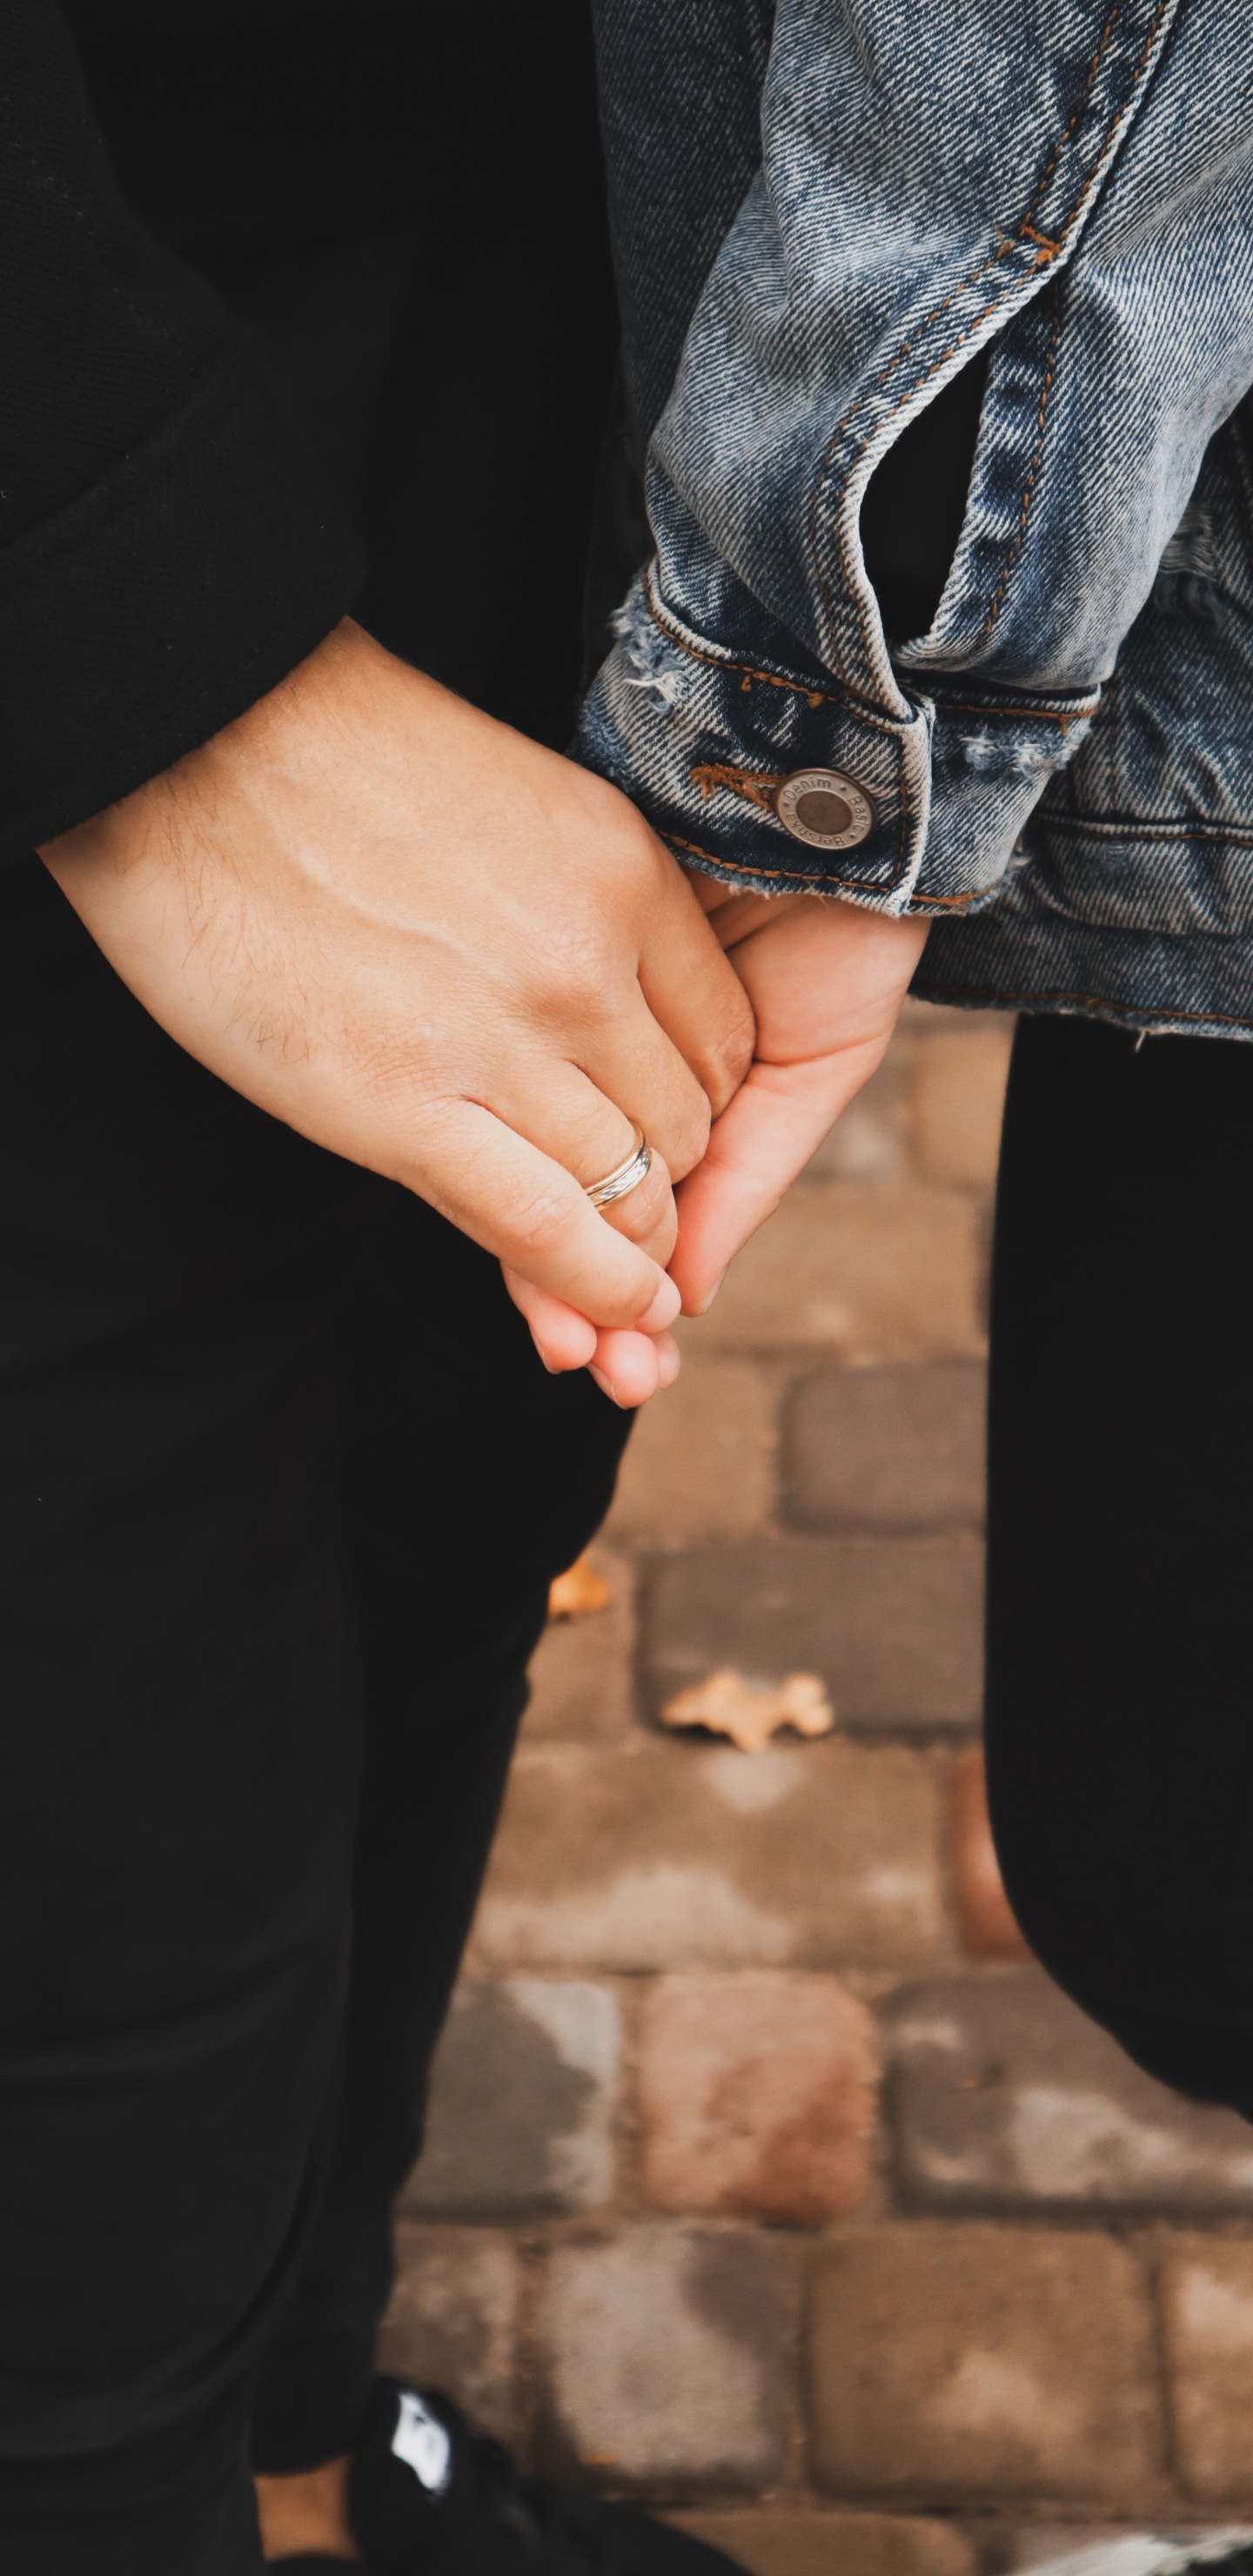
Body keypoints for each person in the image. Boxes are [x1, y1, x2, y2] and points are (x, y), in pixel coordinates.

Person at [6, 3, 1253, 2573]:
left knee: (441, 1521)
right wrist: (128, 617)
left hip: (628, 280)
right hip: (111, 264)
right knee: (92, 1828)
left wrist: (821, 638)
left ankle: (296, 2465)